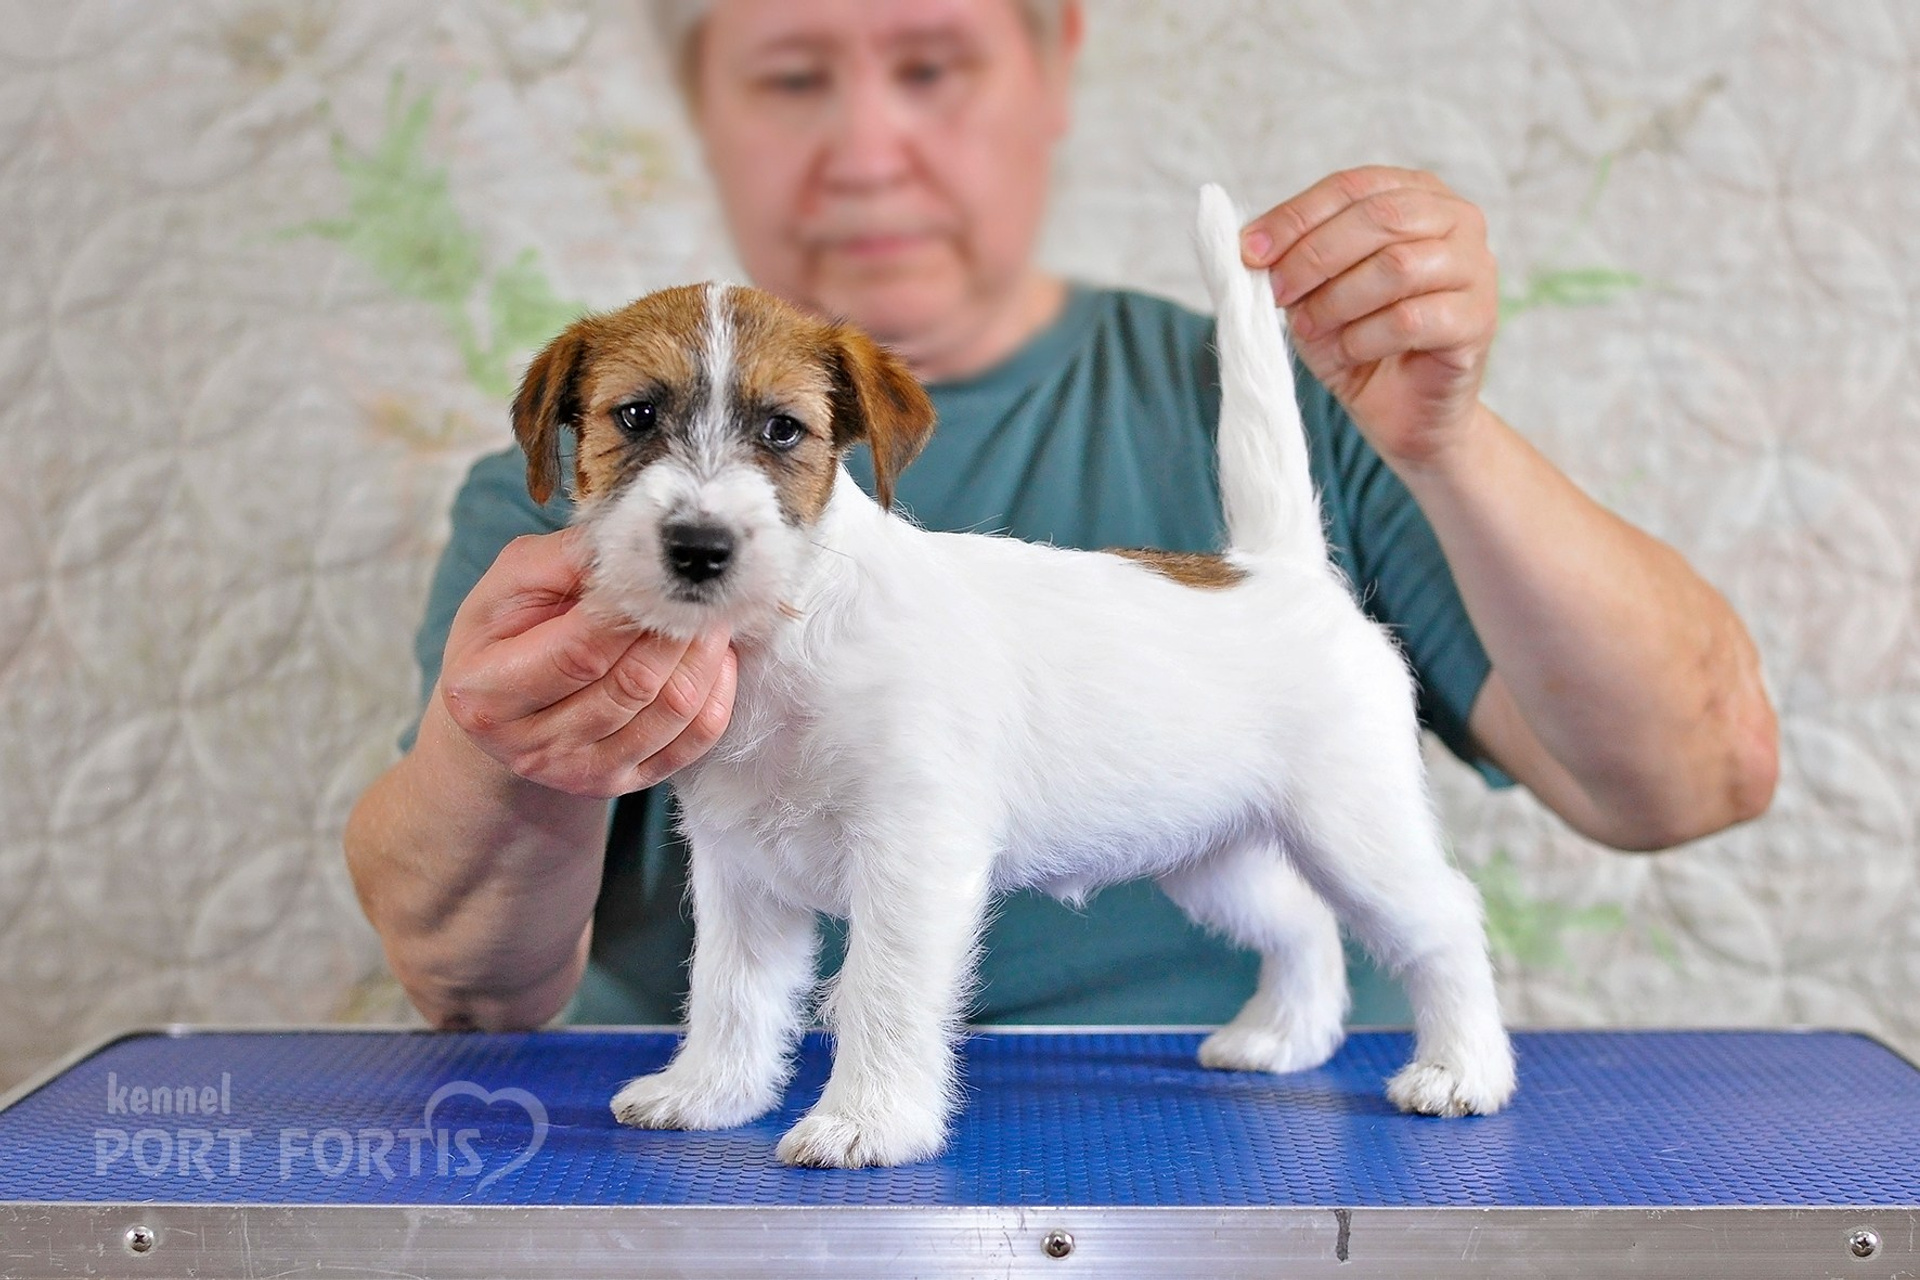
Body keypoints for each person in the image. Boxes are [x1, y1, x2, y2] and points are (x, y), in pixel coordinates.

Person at [344, 0, 1778, 1034]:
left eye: (933, 63)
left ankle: (1318, 995)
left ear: (1052, 64)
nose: (868, 144)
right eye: (790, 75)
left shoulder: (1272, 399)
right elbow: (465, 986)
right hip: (702, 1166)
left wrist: (1446, 436)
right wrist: (507, 747)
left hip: (1209, 1141)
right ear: (704, 108)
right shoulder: (531, 525)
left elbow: (1697, 779)